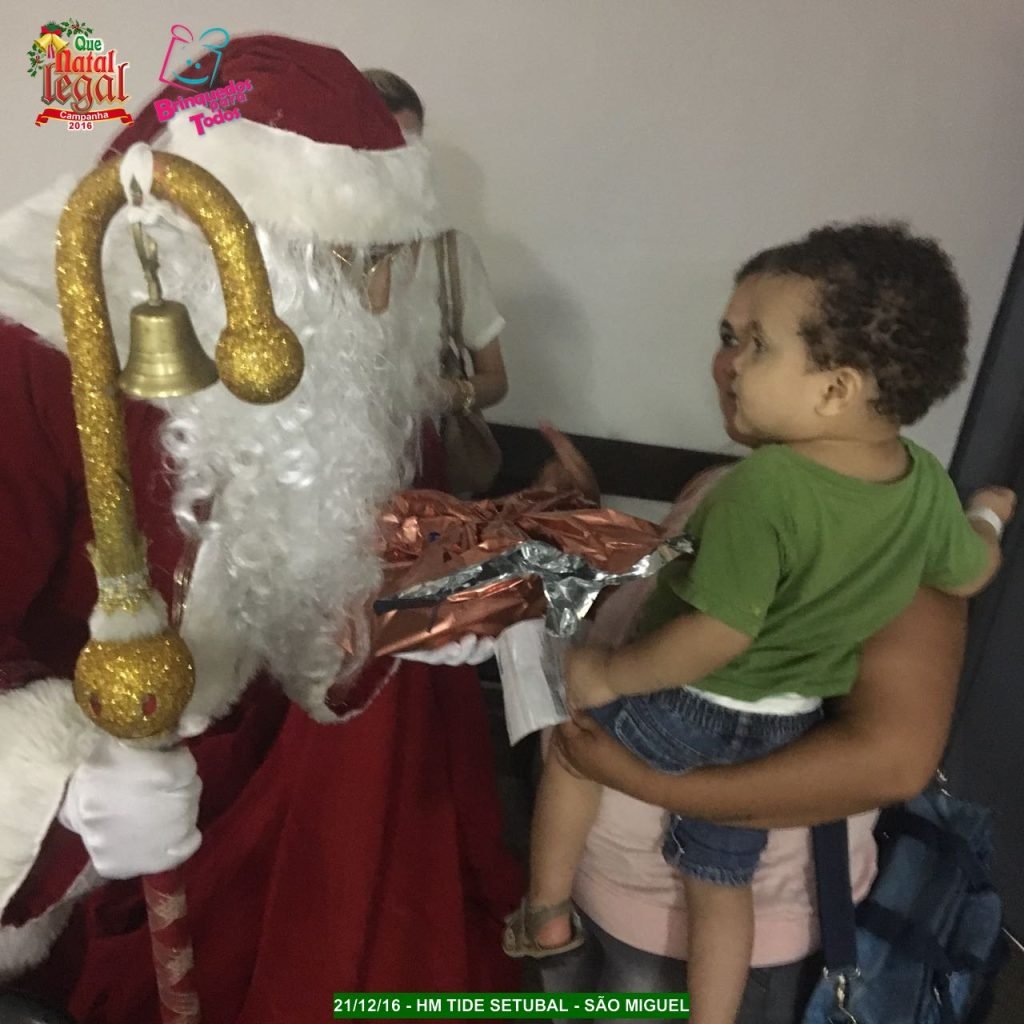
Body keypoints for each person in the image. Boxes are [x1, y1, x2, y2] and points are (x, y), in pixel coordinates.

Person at [0, 35, 522, 1023]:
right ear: (214, 245)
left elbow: (289, 592)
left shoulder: (331, 354)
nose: (374, 299)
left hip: (247, 818)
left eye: (387, 261)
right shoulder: (30, 352)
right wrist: (56, 795)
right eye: (343, 263)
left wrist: (383, 624)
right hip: (88, 866)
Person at [506, 224, 1015, 1023]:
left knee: (573, 748)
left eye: (757, 344)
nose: (730, 364)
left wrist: (608, 682)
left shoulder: (769, 486)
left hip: (687, 764)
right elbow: (972, 566)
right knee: (720, 882)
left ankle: (544, 913)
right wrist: (987, 516)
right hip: (775, 726)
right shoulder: (915, 487)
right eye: (727, 337)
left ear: (835, 388)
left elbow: (724, 635)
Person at [362, 68, 509, 421]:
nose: (394, 164)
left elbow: (496, 380)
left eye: (406, 148)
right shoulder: (301, 253)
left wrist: (443, 394)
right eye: (376, 148)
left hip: (424, 443)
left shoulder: (449, 253)